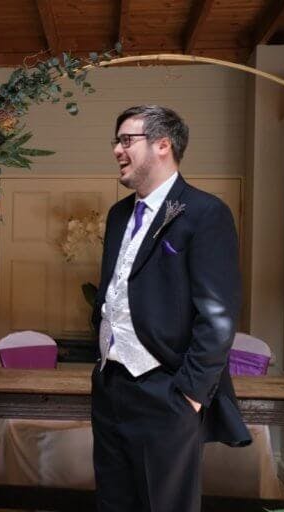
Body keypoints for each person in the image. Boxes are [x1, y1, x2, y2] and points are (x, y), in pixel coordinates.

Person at [91, 105, 251, 511]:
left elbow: (218, 316)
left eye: (126, 140)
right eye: (117, 141)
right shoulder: (117, 215)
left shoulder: (205, 213)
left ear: (163, 145)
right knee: (114, 502)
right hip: (111, 388)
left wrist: (189, 395)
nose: (116, 150)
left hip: (166, 392)